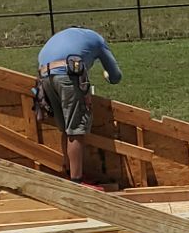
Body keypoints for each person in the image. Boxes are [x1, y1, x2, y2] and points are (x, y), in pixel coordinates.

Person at [35, 27, 123, 183]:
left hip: (45, 78)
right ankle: (77, 182)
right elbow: (115, 75)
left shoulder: (61, 36)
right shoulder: (97, 39)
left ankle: (70, 174)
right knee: (76, 130)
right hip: (68, 75)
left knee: (66, 129)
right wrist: (109, 78)